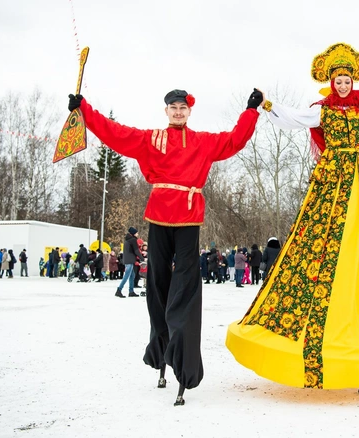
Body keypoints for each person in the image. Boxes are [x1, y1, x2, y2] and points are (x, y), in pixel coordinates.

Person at [226, 43, 359, 393]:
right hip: (329, 181)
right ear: (330, 80)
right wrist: (265, 104)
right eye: (337, 79)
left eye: (346, 79)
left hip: (358, 181)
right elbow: (291, 118)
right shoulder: (322, 111)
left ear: (353, 80)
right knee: (318, 238)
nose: (342, 84)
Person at [68, 85, 261, 406]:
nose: (178, 111)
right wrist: (84, 109)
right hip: (158, 216)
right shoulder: (151, 139)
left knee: (185, 288)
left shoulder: (202, 142)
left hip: (188, 219)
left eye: (183, 107)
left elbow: (234, 140)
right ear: (166, 110)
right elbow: (114, 133)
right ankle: (159, 351)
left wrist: (251, 111)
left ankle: (183, 361)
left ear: (189, 111)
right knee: (157, 285)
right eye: (173, 107)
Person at [115, 227, 143, 298]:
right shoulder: (133, 240)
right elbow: (136, 251)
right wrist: (142, 258)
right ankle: (119, 290)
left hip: (127, 260)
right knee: (127, 275)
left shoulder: (127, 240)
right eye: (136, 233)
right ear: (133, 233)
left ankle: (131, 291)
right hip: (130, 260)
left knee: (132, 275)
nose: (137, 234)